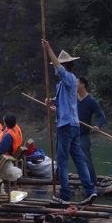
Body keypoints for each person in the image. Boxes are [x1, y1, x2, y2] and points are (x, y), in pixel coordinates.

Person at [41, 39, 96, 204]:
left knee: (63, 160)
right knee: (78, 158)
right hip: (71, 124)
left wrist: (48, 48)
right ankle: (90, 190)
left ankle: (65, 194)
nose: (56, 69)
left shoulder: (70, 78)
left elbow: (58, 68)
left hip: (66, 126)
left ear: (65, 66)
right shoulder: (62, 85)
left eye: (59, 66)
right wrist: (51, 102)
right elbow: (62, 102)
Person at [77, 76, 106, 184]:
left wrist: (97, 126)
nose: (74, 86)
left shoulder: (91, 101)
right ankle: (84, 181)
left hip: (84, 135)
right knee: (78, 160)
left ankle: (92, 182)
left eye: (76, 83)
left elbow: (102, 116)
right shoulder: (74, 99)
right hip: (73, 134)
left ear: (82, 85)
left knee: (86, 159)